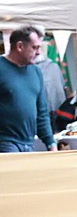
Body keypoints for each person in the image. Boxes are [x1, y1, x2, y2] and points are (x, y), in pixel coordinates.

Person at [0, 25, 58, 153]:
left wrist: (51, 143)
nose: (39, 52)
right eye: (34, 47)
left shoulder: (36, 72)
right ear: (20, 46)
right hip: (5, 142)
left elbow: (42, 112)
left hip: (28, 143)